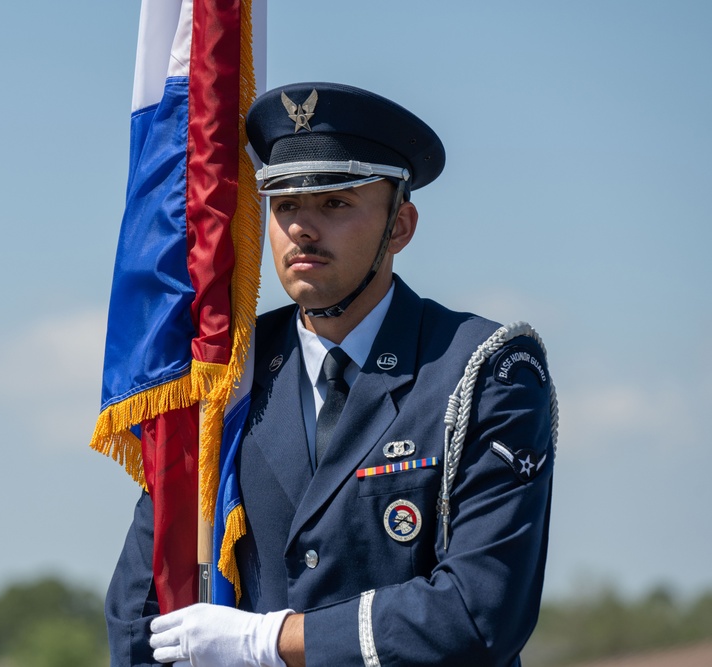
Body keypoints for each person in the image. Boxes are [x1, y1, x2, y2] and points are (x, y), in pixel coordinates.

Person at [106, 81, 557, 667]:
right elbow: (140, 614)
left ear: (400, 226)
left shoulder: (484, 368)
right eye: (285, 205)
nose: (301, 228)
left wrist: (266, 642)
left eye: (335, 203)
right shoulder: (226, 377)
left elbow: (479, 614)